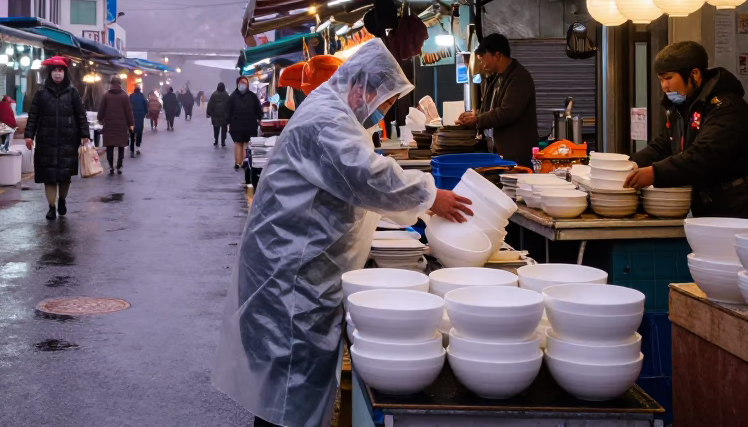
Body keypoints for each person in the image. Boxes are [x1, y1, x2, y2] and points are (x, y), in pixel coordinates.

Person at [213, 40, 473, 427]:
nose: (377, 114)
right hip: (290, 273)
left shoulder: (335, 112)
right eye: (379, 104)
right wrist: (430, 195)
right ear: (358, 89)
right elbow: (364, 173)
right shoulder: (326, 120)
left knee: (290, 387)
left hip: (299, 264)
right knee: (289, 389)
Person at [626, 41, 748, 223]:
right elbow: (664, 145)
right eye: (660, 80)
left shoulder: (725, 107)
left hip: (744, 212)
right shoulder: (682, 108)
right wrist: (630, 165)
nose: (664, 86)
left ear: (694, 74)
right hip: (712, 209)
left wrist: (655, 173)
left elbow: (704, 154)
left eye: (668, 78)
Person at [24, 55, 91, 221]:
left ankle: (62, 200)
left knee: (64, 176)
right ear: (50, 73)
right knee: (49, 177)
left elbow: (80, 115)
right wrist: (29, 135)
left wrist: (84, 134)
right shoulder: (41, 93)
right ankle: (51, 207)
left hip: (68, 140)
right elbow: (33, 116)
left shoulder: (73, 92)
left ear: (65, 73)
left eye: (60, 70)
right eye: (54, 70)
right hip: (46, 140)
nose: (57, 74)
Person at [456, 33, 538, 168]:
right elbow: (491, 109)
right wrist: (474, 116)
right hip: (499, 153)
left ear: (497, 55)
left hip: (516, 156)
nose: (481, 61)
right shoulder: (496, 78)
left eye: (483, 56)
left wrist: (477, 120)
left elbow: (507, 112)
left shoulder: (518, 77)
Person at [99, 76, 134, 175]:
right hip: (121, 125)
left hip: (109, 125)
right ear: (119, 84)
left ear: (111, 84)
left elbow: (101, 109)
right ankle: (119, 165)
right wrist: (131, 123)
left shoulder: (106, 95)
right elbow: (128, 111)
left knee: (109, 146)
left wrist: (100, 118)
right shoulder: (124, 96)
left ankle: (111, 166)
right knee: (121, 146)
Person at [227, 76, 263, 169]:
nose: (243, 85)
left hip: (248, 125)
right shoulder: (234, 97)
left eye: (245, 83)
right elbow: (228, 111)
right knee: (238, 143)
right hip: (238, 125)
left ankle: (243, 162)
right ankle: (239, 163)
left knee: (245, 144)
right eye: (241, 83)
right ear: (237, 84)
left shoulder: (251, 96)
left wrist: (259, 118)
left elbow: (258, 109)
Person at [208, 82, 230, 148]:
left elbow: (210, 104)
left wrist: (208, 112)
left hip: (215, 115)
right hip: (224, 116)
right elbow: (229, 105)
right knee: (224, 130)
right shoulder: (226, 95)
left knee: (216, 129)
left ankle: (216, 140)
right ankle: (223, 142)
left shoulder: (214, 94)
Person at [129, 83, 148, 156]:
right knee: (139, 133)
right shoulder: (142, 96)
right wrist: (145, 113)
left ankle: (132, 150)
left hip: (132, 117)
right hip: (140, 117)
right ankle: (137, 148)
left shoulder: (131, 96)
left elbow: (128, 106)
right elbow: (146, 105)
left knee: (132, 133)